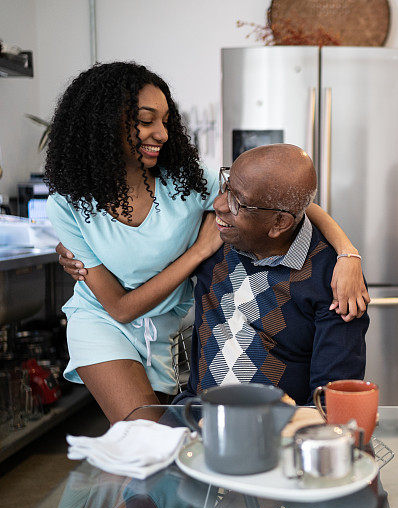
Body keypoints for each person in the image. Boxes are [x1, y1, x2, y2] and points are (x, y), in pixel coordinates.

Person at [46, 62, 368, 423]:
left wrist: (348, 253)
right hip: (105, 318)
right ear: (104, 125)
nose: (162, 134)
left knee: (160, 443)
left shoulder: (184, 182)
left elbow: (294, 204)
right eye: (146, 120)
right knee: (144, 435)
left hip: (163, 327)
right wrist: (199, 251)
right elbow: (119, 308)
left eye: (165, 121)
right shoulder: (67, 204)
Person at [175, 144, 369, 405]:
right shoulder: (214, 238)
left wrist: (346, 253)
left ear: (279, 223)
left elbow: (331, 401)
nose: (218, 205)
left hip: (277, 433)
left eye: (236, 202)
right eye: (225, 186)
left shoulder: (334, 282)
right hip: (197, 416)